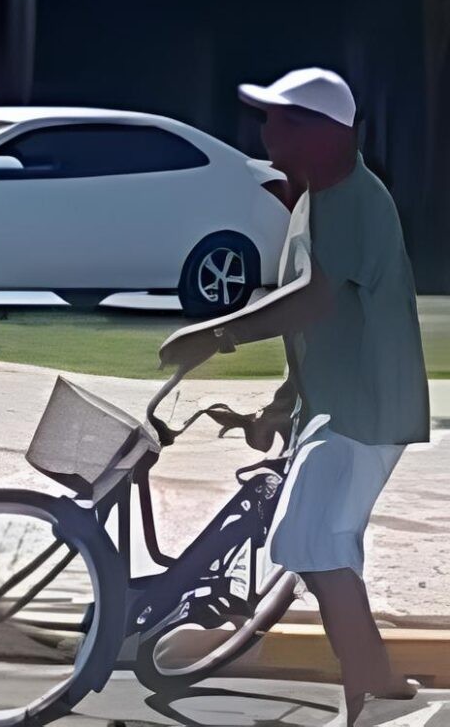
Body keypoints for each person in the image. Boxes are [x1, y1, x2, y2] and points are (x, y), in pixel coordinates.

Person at [160, 68, 430, 723]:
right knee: (326, 547)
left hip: (365, 413)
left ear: (326, 134)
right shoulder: (317, 199)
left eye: (282, 120)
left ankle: (372, 702)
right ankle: (381, 688)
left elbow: (309, 299)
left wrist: (214, 334)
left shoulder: (355, 201)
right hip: (338, 410)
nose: (266, 130)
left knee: (309, 543)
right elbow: (323, 323)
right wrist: (278, 409)